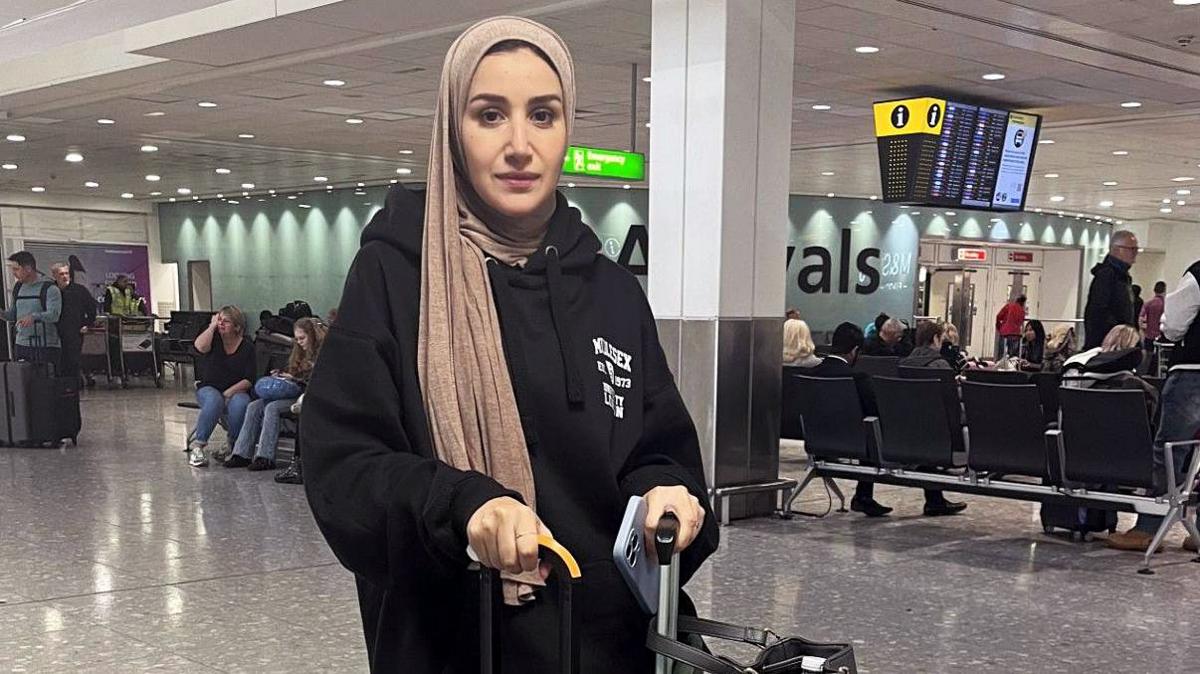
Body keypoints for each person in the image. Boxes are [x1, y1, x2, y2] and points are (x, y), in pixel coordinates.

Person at [301, 20, 716, 674]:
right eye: (490, 114)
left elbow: (654, 449)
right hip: (457, 646)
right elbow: (343, 470)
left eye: (543, 115)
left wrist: (667, 494)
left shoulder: (608, 290)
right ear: (451, 128)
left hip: (609, 647)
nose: (520, 144)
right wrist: (462, 509)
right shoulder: (398, 277)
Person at [803, 322, 964, 518]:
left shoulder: (809, 376)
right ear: (854, 350)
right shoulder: (857, 379)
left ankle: (865, 496)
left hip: (820, 443)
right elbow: (877, 411)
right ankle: (934, 500)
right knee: (918, 441)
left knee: (871, 433)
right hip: (862, 446)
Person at [1108, 260, 1200, 553]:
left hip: (1193, 371)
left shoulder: (1198, 274)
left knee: (1171, 450)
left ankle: (1149, 528)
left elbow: (1173, 326)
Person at [225, 318, 326, 470]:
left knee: (272, 408)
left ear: (312, 336)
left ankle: (265, 456)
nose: (299, 342)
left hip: (307, 397)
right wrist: (283, 375)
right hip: (294, 392)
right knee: (254, 406)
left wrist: (296, 378)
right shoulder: (300, 352)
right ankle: (241, 453)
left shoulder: (323, 354)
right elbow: (294, 372)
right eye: (297, 339)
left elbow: (321, 382)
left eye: (302, 338)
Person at [188, 306, 256, 468]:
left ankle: (232, 443)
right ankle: (198, 446)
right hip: (209, 386)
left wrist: (229, 393)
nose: (221, 324)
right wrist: (211, 326)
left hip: (236, 389)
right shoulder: (214, 339)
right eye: (219, 320)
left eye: (226, 321)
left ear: (237, 327)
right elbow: (200, 347)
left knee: (241, 403)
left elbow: (249, 378)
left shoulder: (247, 347)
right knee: (214, 400)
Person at [3, 251, 62, 367]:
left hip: (46, 345)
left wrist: (34, 317)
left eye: (16, 269)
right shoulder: (18, 288)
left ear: (28, 268)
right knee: (22, 382)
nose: (13, 273)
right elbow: (12, 315)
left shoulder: (49, 288)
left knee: (44, 382)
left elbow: (54, 315)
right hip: (22, 344)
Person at [1083, 230, 1138, 349]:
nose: (1135, 253)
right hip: (1108, 346)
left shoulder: (1122, 276)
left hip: (1118, 344)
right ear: (1117, 249)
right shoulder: (1107, 275)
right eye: (1132, 249)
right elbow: (1097, 312)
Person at [50, 262, 97, 381]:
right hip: (54, 332)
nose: (65, 276)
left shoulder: (79, 290)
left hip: (74, 331)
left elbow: (91, 308)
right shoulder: (50, 291)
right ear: (54, 275)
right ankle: (60, 385)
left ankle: (74, 386)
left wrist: (87, 324)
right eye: (61, 274)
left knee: (73, 359)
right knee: (56, 360)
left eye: (66, 273)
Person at [1141, 280, 1167, 365]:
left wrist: (1144, 329)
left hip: (1149, 334)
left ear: (1154, 290)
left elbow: (1142, 319)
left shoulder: (1148, 303)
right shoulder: (1166, 304)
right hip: (1161, 335)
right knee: (1160, 358)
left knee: (1148, 356)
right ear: (1164, 290)